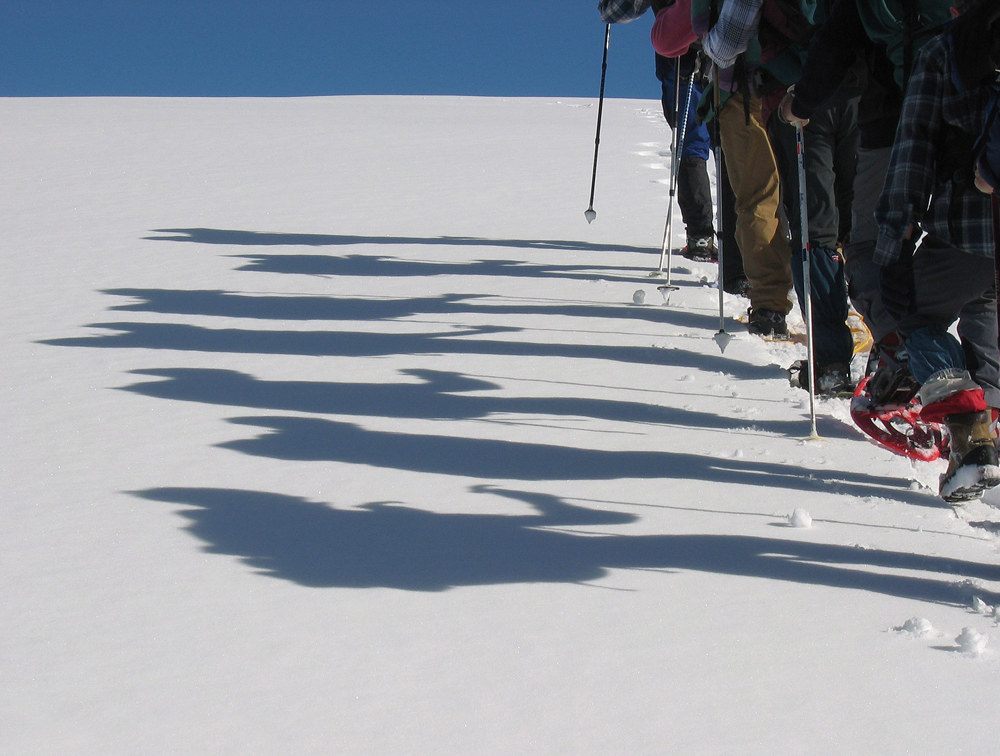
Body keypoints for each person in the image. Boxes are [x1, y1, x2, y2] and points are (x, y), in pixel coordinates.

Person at [874, 0, 1000, 503]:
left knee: (915, 314)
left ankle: (973, 441)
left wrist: (893, 246)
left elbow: (912, 156)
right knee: (985, 322)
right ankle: (986, 442)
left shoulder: (944, 51)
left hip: (966, 231)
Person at [655, 0, 796, 337]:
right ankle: (830, 310)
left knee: (758, 198)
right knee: (816, 201)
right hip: (813, 85)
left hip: (747, 91)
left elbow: (673, 39)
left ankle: (770, 307)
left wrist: (709, 50)